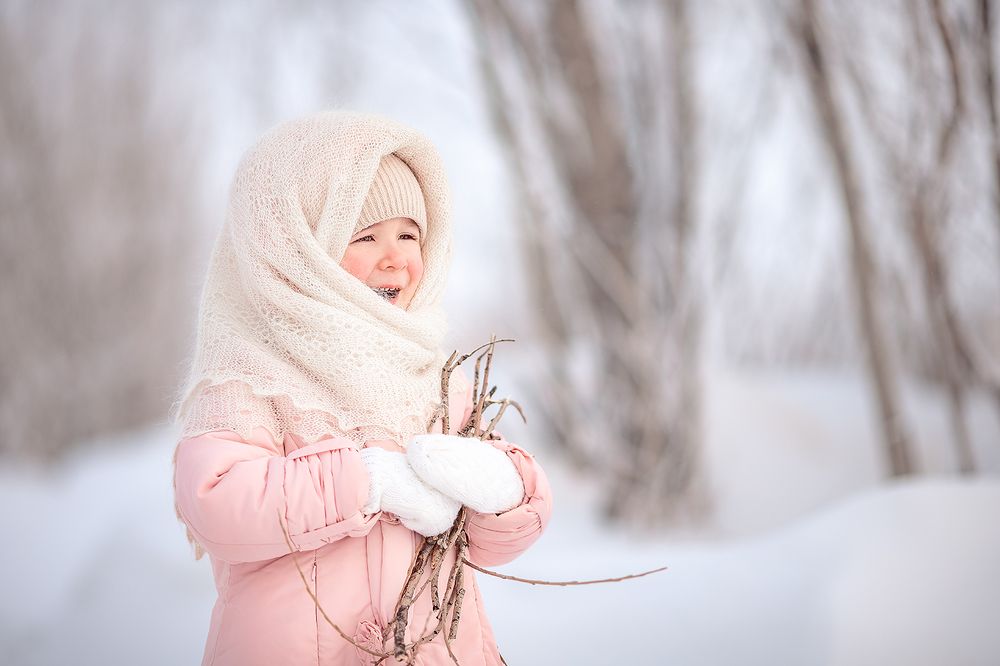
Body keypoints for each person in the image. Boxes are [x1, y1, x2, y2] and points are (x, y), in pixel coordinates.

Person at [172, 110, 553, 666]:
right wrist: (369, 481)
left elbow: (492, 542)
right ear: (300, 250)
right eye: (365, 236)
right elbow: (217, 501)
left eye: (408, 235)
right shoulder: (251, 372)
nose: (395, 258)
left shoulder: (433, 374)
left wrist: (505, 489)